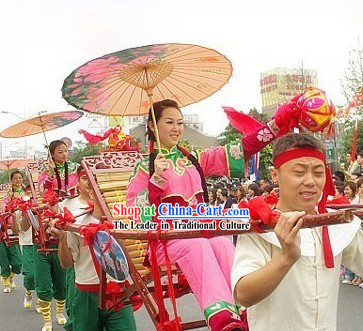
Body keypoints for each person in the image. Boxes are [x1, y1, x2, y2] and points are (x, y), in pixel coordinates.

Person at [126, 98, 296, 330]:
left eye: (180, 122)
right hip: (165, 240)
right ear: (152, 126)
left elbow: (237, 151)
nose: (176, 128)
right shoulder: (145, 167)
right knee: (200, 245)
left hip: (200, 233)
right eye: (169, 122)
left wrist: (275, 126)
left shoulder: (193, 159)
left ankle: (244, 308)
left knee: (221, 243)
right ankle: (222, 318)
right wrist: (156, 178)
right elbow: (137, 213)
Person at [232, 133, 363, 331]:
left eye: (318, 173)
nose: (310, 181)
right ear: (275, 174)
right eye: (299, 172)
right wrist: (286, 257)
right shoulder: (260, 224)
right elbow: (244, 295)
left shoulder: (336, 223)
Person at [50, 184, 137, 331]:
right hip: (86, 295)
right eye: (102, 193)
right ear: (91, 194)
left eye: (110, 193)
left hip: (117, 292)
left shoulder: (125, 220)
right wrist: (63, 238)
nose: (107, 197)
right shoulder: (76, 223)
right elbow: (65, 264)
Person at [0, 171, 23, 293]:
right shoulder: (8, 195)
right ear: (12, 180)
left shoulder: (26, 192)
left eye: (20, 178)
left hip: (20, 227)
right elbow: (4, 209)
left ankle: (11, 276)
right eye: (16, 178)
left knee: (18, 263)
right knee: (3, 260)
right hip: (6, 228)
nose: (18, 180)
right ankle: (7, 284)